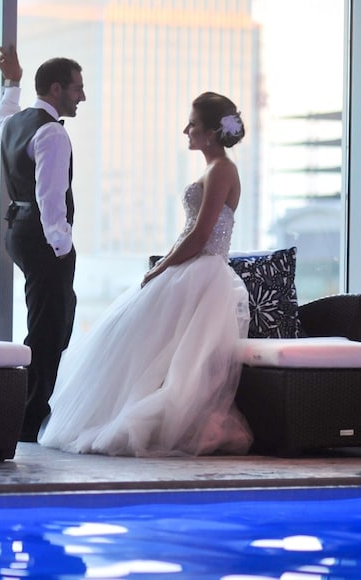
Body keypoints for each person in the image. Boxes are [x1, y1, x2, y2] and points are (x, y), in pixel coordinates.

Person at [37, 91, 253, 457]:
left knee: (162, 348)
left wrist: (164, 266)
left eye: (193, 124)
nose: (186, 129)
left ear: (212, 133)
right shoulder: (212, 169)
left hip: (204, 272)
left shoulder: (222, 170)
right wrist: (165, 264)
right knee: (127, 336)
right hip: (191, 268)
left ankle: (140, 419)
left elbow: (201, 235)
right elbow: (192, 233)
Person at [0, 44, 86, 442]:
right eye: (76, 88)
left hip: (17, 230)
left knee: (55, 318)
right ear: (55, 89)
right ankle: (28, 420)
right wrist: (62, 248)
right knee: (47, 331)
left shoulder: (13, 123)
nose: (82, 96)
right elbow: (51, 197)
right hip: (42, 237)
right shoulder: (52, 133)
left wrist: (11, 81)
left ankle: (28, 410)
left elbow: (2, 112)